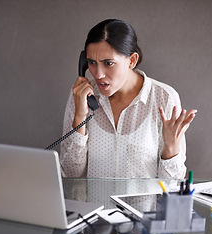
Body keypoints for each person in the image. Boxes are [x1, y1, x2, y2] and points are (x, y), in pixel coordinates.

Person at [60, 19, 197, 179]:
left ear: (131, 61)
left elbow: (171, 186)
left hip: (142, 205)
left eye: (108, 63)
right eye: (92, 63)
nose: (98, 74)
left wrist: (171, 148)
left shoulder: (163, 98)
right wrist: (79, 117)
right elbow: (71, 175)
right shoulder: (82, 94)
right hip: (96, 204)